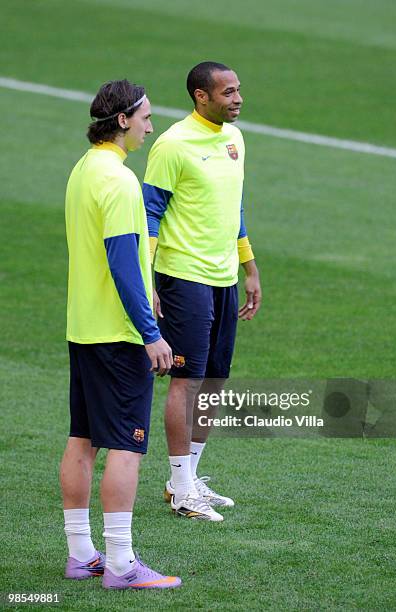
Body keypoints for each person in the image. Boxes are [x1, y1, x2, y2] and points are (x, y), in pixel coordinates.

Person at [61, 79, 181, 589]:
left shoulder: (84, 169)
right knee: (126, 447)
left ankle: (80, 553)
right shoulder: (121, 181)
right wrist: (150, 332)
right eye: (147, 117)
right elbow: (121, 264)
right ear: (124, 119)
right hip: (118, 335)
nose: (152, 126)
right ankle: (120, 563)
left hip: (84, 328)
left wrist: (145, 287)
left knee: (82, 441)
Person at [142, 62, 262, 522]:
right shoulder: (172, 145)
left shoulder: (235, 140)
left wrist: (249, 266)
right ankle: (180, 483)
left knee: (214, 380)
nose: (237, 98)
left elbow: (235, 207)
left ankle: (186, 481)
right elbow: (150, 215)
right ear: (200, 96)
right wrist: (147, 279)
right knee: (187, 380)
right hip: (183, 276)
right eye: (228, 92)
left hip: (223, 276)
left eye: (238, 90)